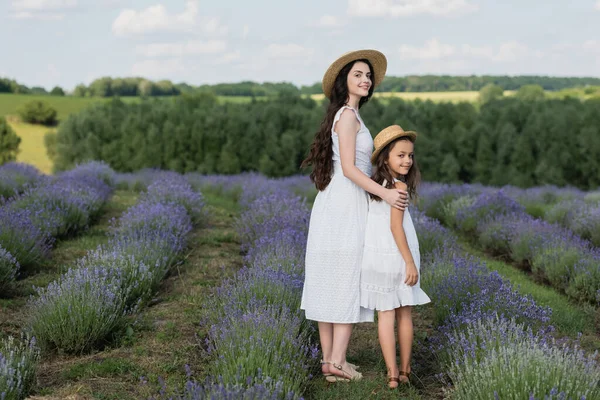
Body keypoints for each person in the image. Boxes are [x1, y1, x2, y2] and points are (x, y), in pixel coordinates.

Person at [300, 50, 409, 382]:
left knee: (330, 278)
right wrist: (386, 193)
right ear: (343, 81)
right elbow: (349, 169)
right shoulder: (348, 116)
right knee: (347, 277)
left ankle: (332, 362)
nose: (366, 80)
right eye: (358, 75)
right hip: (345, 204)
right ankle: (336, 361)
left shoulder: (347, 115)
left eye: (368, 76)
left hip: (337, 202)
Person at [360, 125, 431, 388]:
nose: (407, 161)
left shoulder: (376, 185)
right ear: (385, 157)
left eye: (410, 156)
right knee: (404, 314)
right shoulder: (398, 187)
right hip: (397, 255)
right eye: (400, 155)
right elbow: (395, 227)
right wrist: (410, 262)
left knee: (385, 314)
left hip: (376, 257)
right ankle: (405, 370)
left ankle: (391, 374)